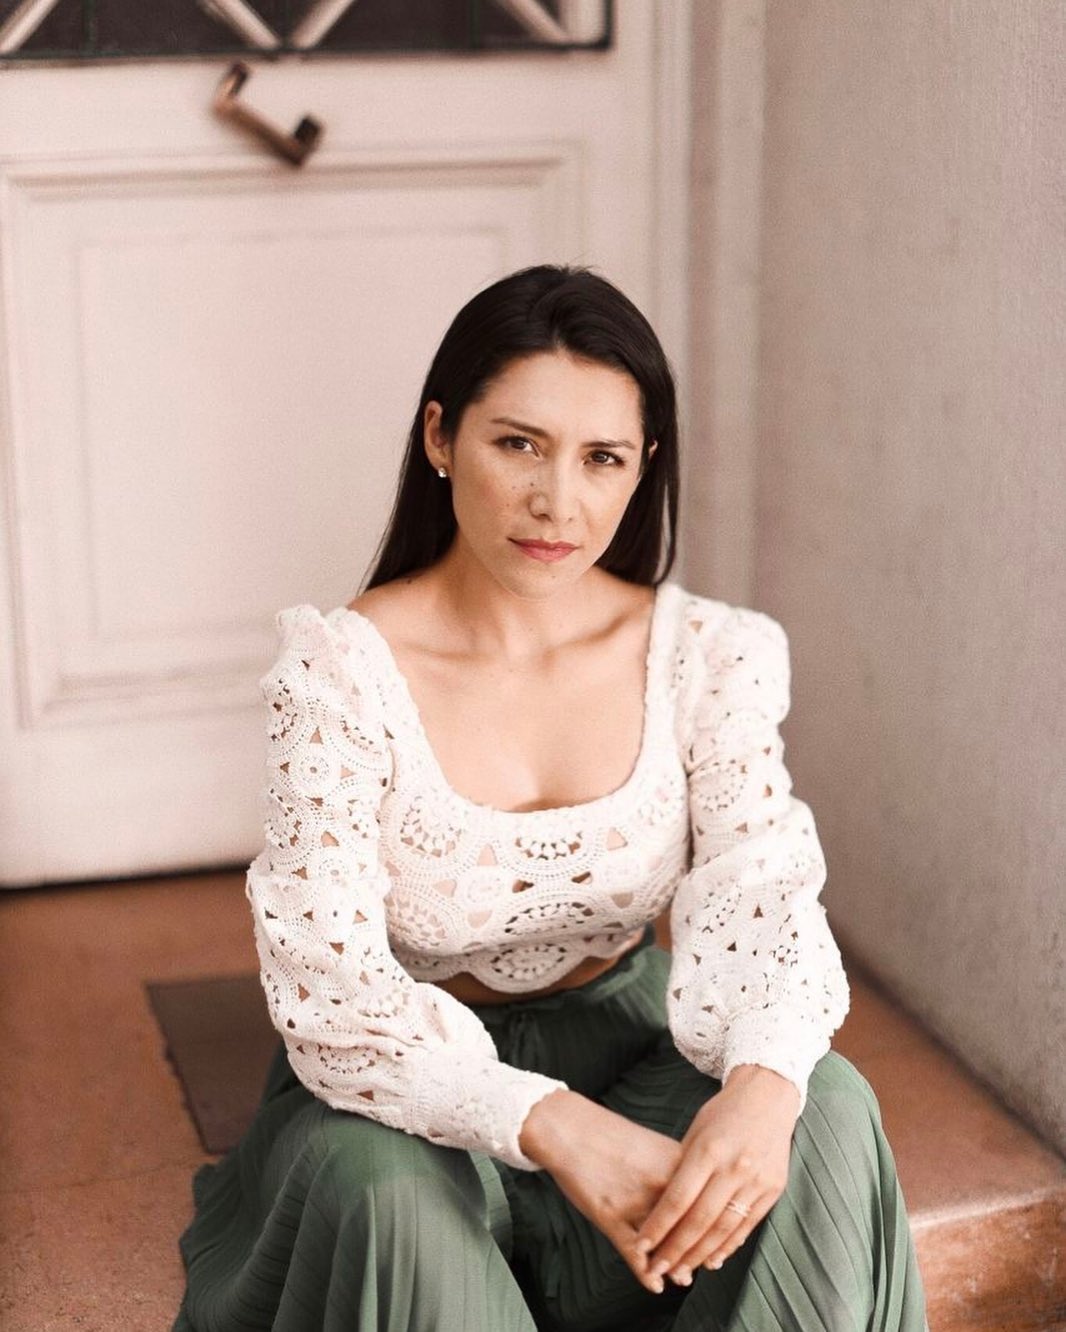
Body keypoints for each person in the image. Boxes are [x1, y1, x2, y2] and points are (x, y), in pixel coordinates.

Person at [172, 263, 929, 1331]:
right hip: (405, 1092)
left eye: (601, 457)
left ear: (642, 467)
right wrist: (553, 1124)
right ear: (441, 437)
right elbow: (329, 987)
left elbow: (762, 893)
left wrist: (763, 1089)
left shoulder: (709, 655)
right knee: (383, 1194)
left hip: (634, 1048)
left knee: (823, 1104)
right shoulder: (340, 673)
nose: (556, 502)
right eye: (518, 444)